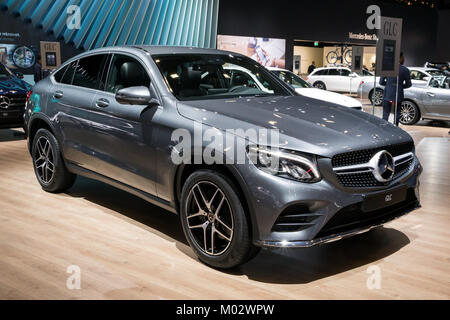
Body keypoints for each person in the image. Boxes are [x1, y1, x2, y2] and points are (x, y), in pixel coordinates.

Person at [379, 52, 412, 126]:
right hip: (398, 94)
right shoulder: (405, 70)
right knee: (397, 114)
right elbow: (409, 84)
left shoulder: (387, 68)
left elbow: (381, 82)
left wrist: (388, 84)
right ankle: (395, 128)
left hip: (388, 94)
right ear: (402, 58)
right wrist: (399, 86)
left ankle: (383, 129)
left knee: (385, 114)